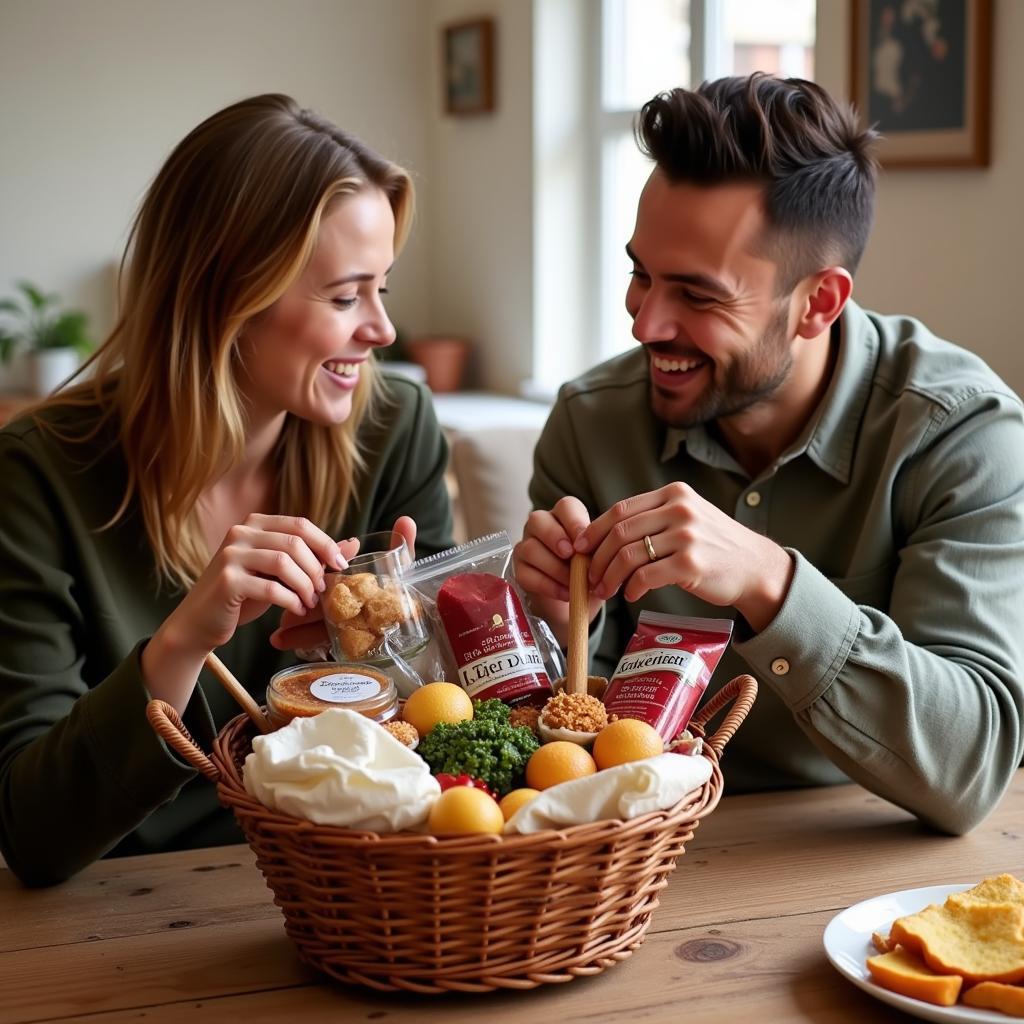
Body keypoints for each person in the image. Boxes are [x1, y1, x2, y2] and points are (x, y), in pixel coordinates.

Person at [515, 74, 1024, 835]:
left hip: (867, 857)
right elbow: (543, 753)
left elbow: (971, 767)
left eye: (698, 295)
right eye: (640, 275)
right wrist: (560, 628)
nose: (646, 323)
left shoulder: (961, 434)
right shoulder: (590, 421)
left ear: (818, 302)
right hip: (634, 865)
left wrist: (772, 583)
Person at [0, 94, 453, 886]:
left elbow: (447, 742)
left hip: (350, 888)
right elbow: (33, 835)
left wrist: (397, 648)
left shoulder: (395, 425)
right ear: (228, 298)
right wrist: (183, 643)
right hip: (122, 904)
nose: (381, 329)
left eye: (382, 288)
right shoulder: (35, 475)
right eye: (346, 297)